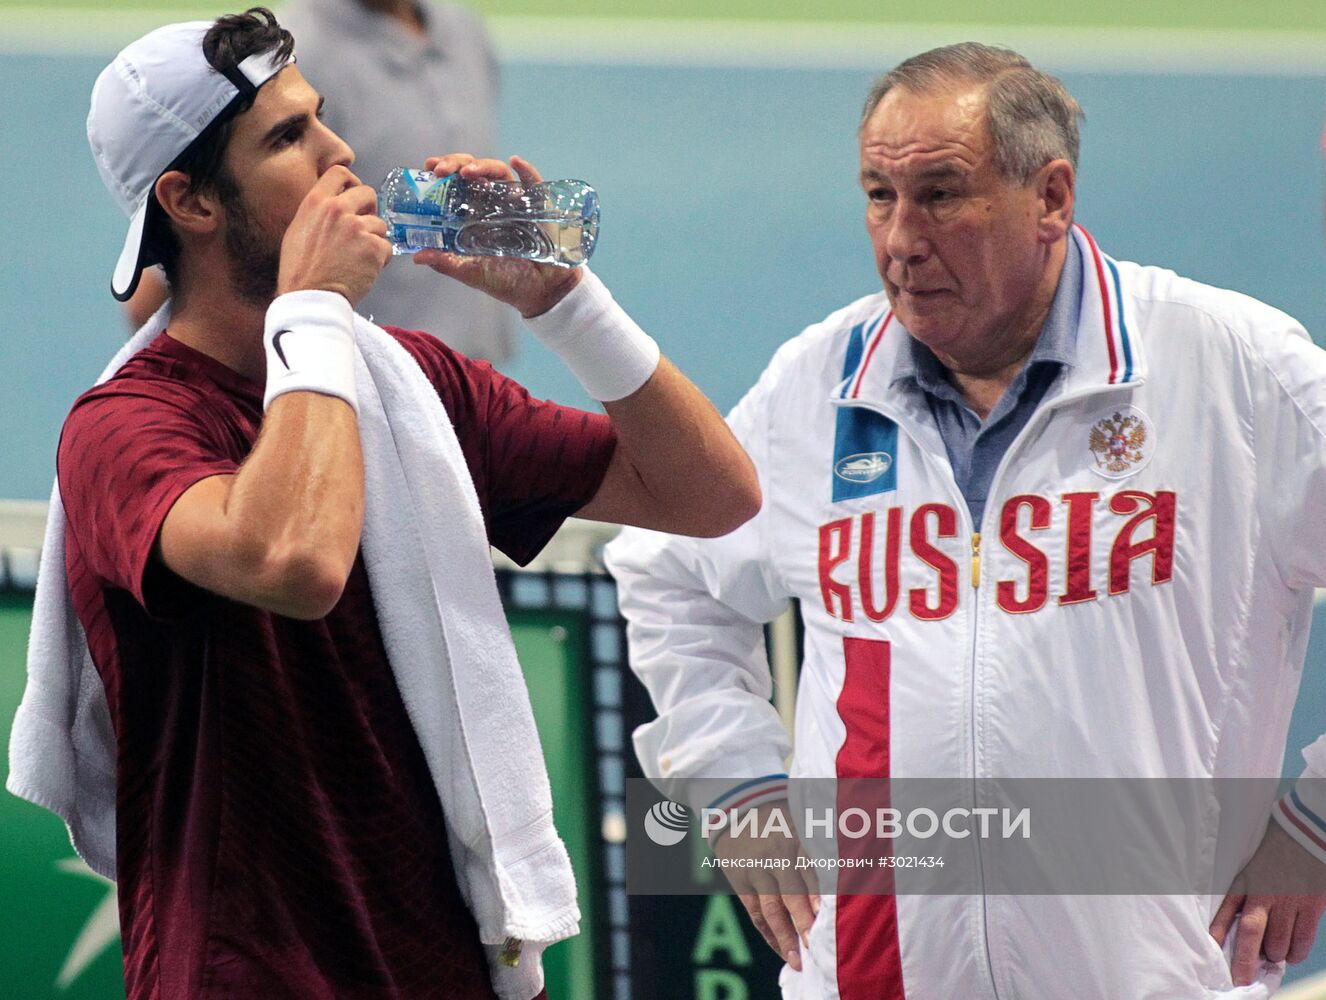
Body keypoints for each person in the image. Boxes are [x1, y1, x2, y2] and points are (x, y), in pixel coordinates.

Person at [6, 8, 759, 1000]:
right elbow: (295, 559)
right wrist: (314, 308)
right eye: (289, 137)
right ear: (189, 201)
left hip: (441, 971)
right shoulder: (126, 429)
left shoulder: (416, 385)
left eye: (320, 116)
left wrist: (569, 305)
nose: (340, 152)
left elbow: (712, 494)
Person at [605, 42, 1326, 1000]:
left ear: (1051, 198)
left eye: (941, 195)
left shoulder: (1232, 368)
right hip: (876, 973)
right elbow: (669, 572)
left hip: (1155, 976)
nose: (901, 239)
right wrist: (733, 782)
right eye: (879, 196)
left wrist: (1316, 822)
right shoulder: (819, 384)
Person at [126, 0, 515, 362]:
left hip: (464, 373)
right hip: (350, 379)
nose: (341, 152)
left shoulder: (462, 28)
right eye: (290, 136)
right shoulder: (284, 56)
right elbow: (171, 289)